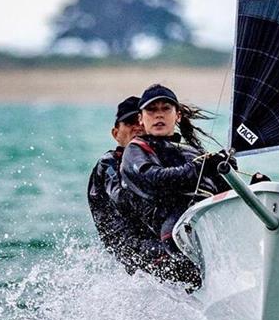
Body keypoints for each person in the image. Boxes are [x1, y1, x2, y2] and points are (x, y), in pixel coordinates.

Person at [119, 83, 232, 291]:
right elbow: (154, 180)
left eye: (166, 109)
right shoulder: (135, 151)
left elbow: (224, 192)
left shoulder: (192, 151)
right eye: (151, 110)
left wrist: (247, 181)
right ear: (140, 119)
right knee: (175, 236)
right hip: (170, 233)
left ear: (177, 115)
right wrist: (200, 168)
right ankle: (197, 288)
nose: (158, 115)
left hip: (206, 224)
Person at [87, 96, 177, 279]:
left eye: (139, 120)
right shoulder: (109, 164)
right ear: (115, 133)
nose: (137, 127)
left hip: (158, 237)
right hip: (129, 246)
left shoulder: (160, 160)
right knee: (179, 253)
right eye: (129, 123)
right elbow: (122, 199)